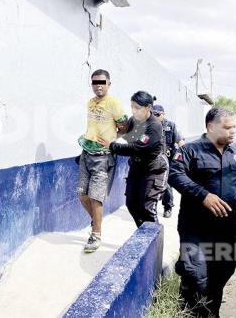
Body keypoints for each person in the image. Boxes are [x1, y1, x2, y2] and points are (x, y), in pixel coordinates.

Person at [168, 107, 236, 318]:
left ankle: (210, 312)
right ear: (210, 126)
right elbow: (175, 175)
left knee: (222, 272)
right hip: (195, 229)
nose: (232, 131)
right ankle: (194, 309)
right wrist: (203, 195)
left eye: (234, 126)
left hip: (225, 230)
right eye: (227, 127)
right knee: (197, 275)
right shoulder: (190, 150)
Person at [97, 91, 167, 228]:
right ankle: (143, 234)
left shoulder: (154, 126)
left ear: (148, 108)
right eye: (132, 107)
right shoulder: (133, 121)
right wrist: (109, 135)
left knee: (147, 208)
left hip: (153, 169)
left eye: (137, 108)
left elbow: (136, 148)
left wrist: (111, 145)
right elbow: (123, 131)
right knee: (131, 204)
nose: (134, 111)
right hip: (136, 167)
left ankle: (153, 241)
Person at [77, 69, 128, 253]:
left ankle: (96, 235)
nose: (98, 85)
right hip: (86, 155)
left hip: (103, 157)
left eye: (102, 82)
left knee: (95, 198)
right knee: (82, 195)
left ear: (109, 84)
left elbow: (126, 126)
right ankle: (96, 221)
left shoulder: (114, 103)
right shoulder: (90, 103)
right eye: (95, 82)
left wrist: (112, 141)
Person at [152, 104, 185, 218]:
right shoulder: (148, 126)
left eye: (157, 114)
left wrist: (185, 157)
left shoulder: (171, 126)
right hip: (153, 160)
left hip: (168, 160)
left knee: (167, 184)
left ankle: (168, 207)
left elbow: (180, 141)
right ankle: (152, 207)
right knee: (152, 185)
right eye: (153, 114)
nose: (155, 116)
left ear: (163, 114)